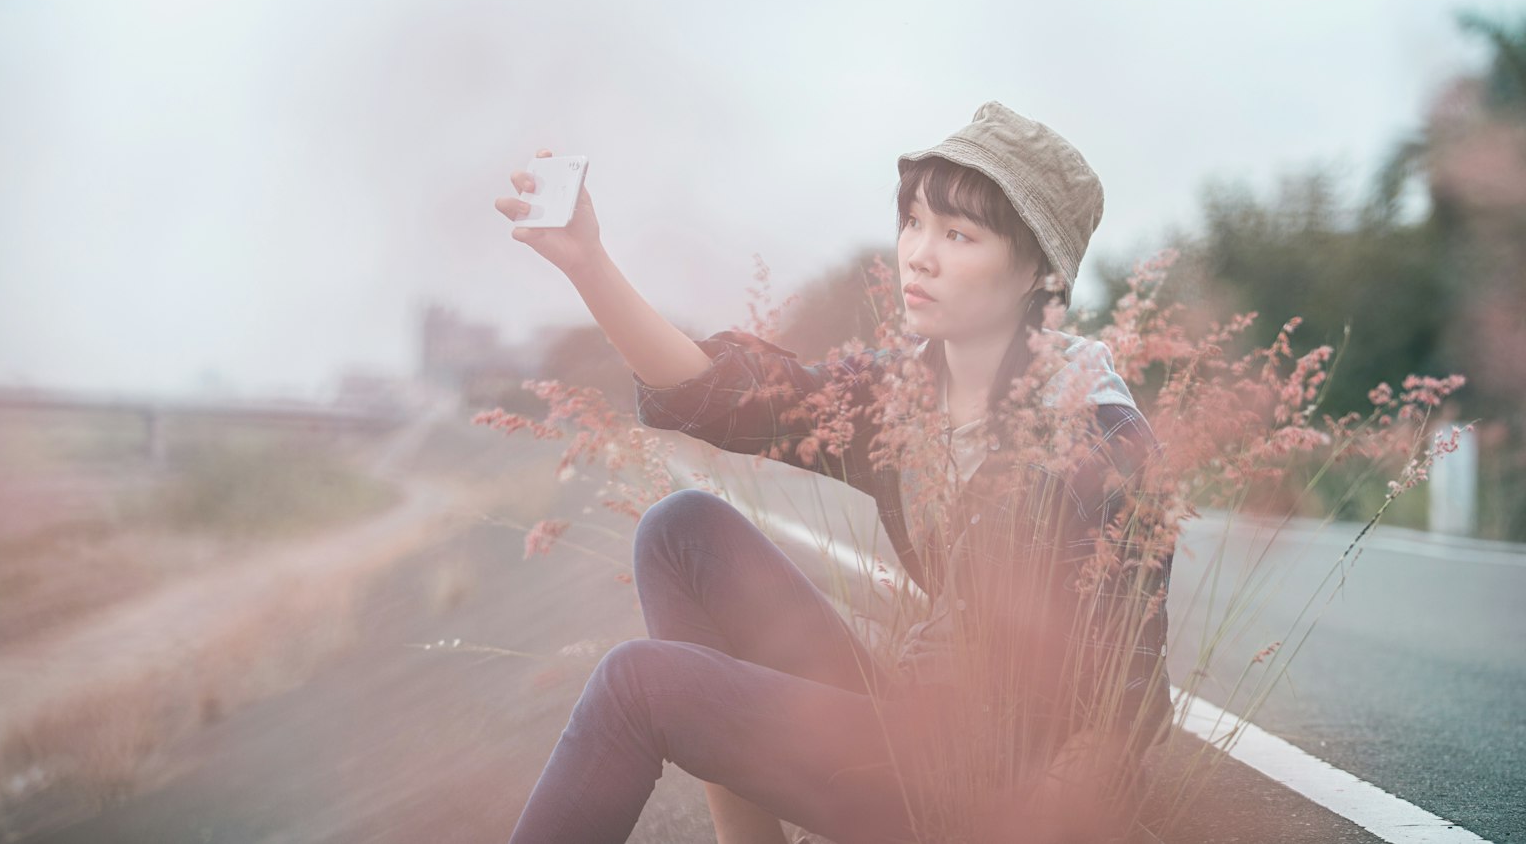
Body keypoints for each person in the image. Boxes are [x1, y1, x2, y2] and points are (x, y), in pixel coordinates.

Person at [496, 101, 1172, 844]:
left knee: (638, 684)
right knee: (679, 529)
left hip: (986, 794)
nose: (919, 253)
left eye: (958, 234)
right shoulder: (909, 395)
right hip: (914, 727)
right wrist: (589, 264)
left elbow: (1120, 715)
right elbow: (725, 395)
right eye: (913, 221)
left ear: (1037, 272)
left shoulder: (1099, 445)